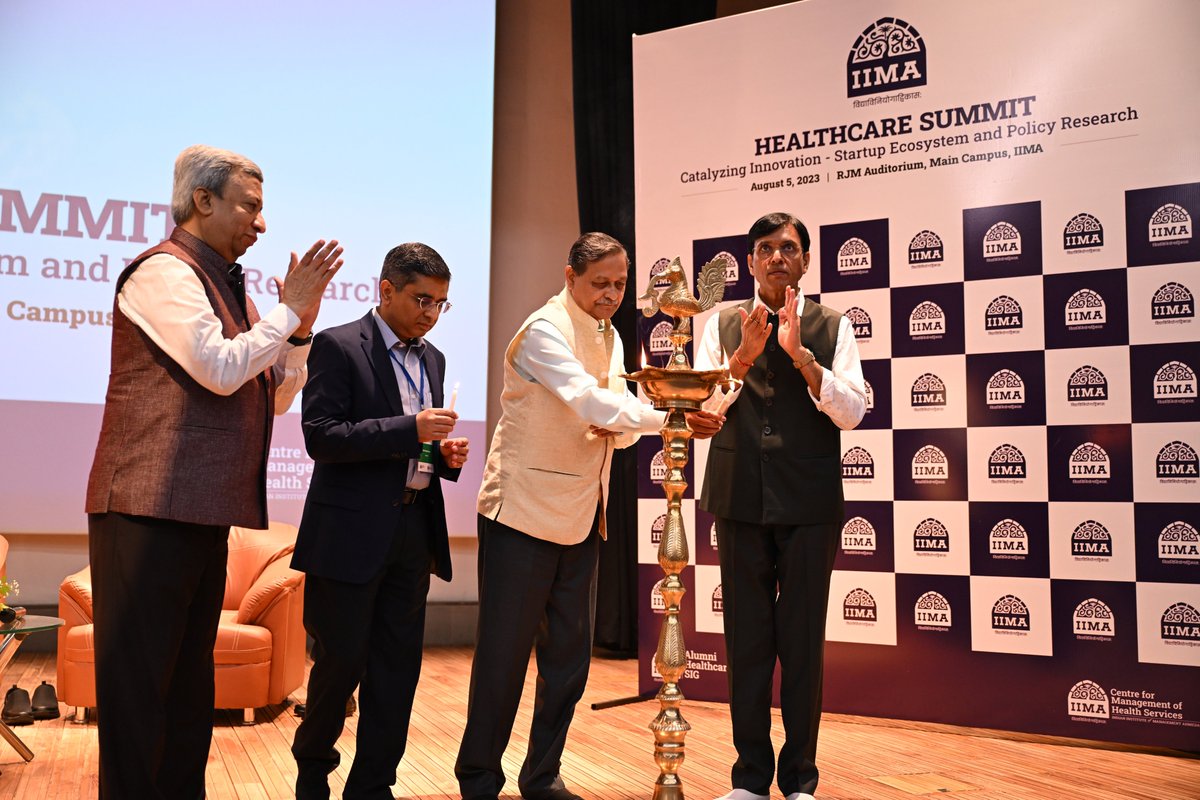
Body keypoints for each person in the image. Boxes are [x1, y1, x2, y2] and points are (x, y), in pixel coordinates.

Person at [85, 144, 343, 799]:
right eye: (250, 207)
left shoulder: (230, 286)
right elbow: (222, 370)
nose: (261, 223)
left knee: (188, 691)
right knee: (140, 692)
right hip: (144, 508)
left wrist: (301, 330)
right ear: (203, 200)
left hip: (198, 514)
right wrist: (285, 314)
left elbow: (276, 396)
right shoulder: (163, 273)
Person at [456, 232, 722, 800]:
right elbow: (587, 399)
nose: (611, 294)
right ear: (570, 276)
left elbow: (617, 430)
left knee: (569, 664)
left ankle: (542, 776)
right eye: (600, 283)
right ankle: (478, 778)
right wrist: (669, 416)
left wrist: (631, 423)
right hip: (521, 514)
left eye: (621, 284)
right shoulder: (542, 331)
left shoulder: (612, 335)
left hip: (583, 514)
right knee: (503, 661)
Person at [693, 212, 866, 800]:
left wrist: (803, 358)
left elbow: (853, 411)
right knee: (745, 643)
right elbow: (702, 413)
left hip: (810, 502)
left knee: (800, 643)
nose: (776, 257)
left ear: (806, 260)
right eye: (764, 248)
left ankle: (800, 783)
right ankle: (748, 781)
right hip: (738, 497)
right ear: (749, 262)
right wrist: (742, 357)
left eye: (788, 248)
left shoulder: (834, 325)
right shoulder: (718, 323)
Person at [290, 242, 469, 800]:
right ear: (385, 290)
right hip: (347, 536)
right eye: (421, 299)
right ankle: (313, 771)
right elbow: (321, 437)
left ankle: (373, 785)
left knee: (397, 672)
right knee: (339, 666)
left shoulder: (433, 358)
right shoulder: (339, 345)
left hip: (413, 532)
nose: (430, 313)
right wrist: (408, 428)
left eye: (441, 303)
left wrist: (443, 457)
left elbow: (414, 447)